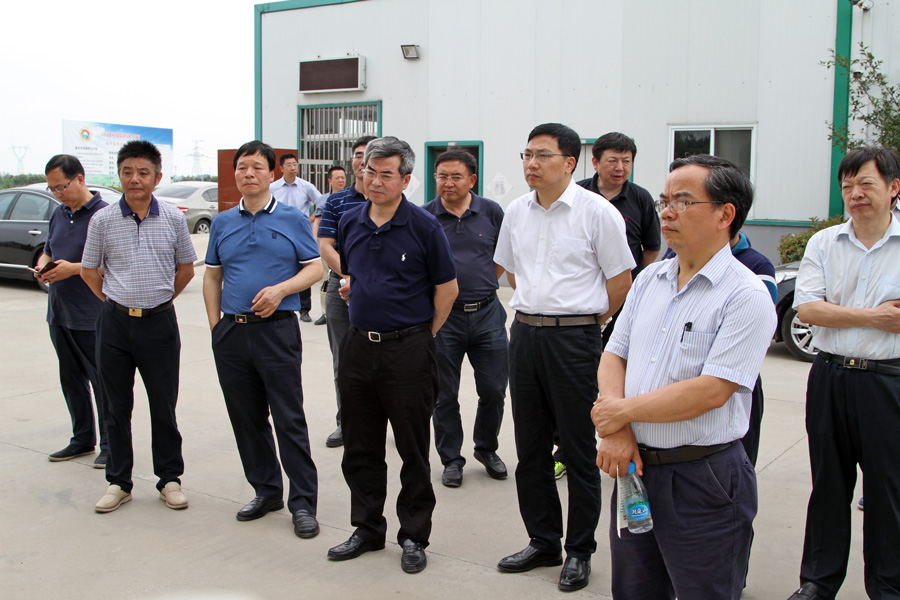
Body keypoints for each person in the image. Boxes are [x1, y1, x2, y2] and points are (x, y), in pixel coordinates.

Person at [592, 154, 776, 600]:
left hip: (702, 477)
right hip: (634, 469)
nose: (667, 212)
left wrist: (619, 413)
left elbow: (712, 390)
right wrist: (618, 431)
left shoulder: (746, 295)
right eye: (664, 200)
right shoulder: (649, 279)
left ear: (725, 214)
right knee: (634, 591)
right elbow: (614, 354)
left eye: (683, 201)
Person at [494, 123, 634, 592]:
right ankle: (543, 541)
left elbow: (620, 283)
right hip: (524, 336)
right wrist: (537, 313)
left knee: (577, 449)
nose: (531, 164)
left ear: (570, 162)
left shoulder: (597, 213)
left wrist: (583, 323)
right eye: (527, 155)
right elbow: (512, 272)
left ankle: (579, 551)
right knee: (530, 448)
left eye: (542, 155)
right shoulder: (517, 211)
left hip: (575, 340)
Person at [326, 136, 458, 574]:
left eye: (386, 174)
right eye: (370, 171)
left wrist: (420, 336)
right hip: (358, 347)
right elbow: (355, 275)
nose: (375, 181)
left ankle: (414, 535)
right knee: (360, 446)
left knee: (412, 449)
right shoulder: (350, 220)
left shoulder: (424, 226)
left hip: (408, 350)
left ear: (405, 179)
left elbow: (447, 290)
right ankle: (366, 529)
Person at [787, 146, 900, 600]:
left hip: (888, 381)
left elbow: (826, 309)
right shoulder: (824, 243)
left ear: (894, 187)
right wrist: (876, 316)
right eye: (847, 186)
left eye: (866, 184)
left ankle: (888, 587)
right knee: (828, 485)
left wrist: (840, 312)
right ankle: (817, 582)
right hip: (830, 376)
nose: (855, 194)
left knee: (888, 491)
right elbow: (809, 309)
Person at [202, 141, 322, 537]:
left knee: (288, 418)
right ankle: (266, 490)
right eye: (242, 167)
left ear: (272, 174)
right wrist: (216, 327)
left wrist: (281, 290)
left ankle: (302, 503)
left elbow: (315, 269)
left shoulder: (292, 218)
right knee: (247, 418)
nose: (248, 173)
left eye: (256, 167)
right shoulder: (222, 222)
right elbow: (212, 276)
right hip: (232, 333)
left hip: (277, 332)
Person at [82, 140, 196, 513]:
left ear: (157, 177)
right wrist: (114, 300)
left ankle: (169, 479)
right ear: (119, 175)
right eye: (128, 172)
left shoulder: (174, 218)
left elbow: (186, 270)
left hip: (159, 324)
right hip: (114, 325)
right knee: (116, 407)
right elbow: (88, 270)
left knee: (164, 405)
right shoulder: (102, 220)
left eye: (143, 172)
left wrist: (160, 300)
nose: (135, 179)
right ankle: (119, 482)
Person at [422, 149, 508, 488]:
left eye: (456, 176)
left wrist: (481, 283)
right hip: (444, 318)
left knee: (494, 389)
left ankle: (486, 448)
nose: (448, 183)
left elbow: (500, 258)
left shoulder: (492, 211)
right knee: (443, 394)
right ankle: (451, 459)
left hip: (488, 314)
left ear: (472, 179)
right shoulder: (424, 216)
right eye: (442, 176)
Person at [661, 229, 777, 466]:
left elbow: (759, 329)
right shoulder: (672, 259)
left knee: (735, 459)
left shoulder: (756, 265)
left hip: (734, 381)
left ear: (726, 217)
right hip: (671, 384)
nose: (670, 215)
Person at [38, 155, 109, 468]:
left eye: (62, 187)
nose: (58, 194)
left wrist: (74, 269)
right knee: (71, 379)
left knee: (103, 382)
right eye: (53, 189)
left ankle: (110, 445)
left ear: (80, 179)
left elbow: (113, 263)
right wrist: (42, 265)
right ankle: (82, 439)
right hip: (59, 312)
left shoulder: (104, 215)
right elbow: (48, 250)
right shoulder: (59, 213)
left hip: (91, 313)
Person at [317, 135, 377, 448]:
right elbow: (325, 245)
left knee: (383, 359)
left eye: (369, 153)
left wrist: (367, 281)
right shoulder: (337, 201)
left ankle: (383, 419)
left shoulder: (389, 198)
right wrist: (350, 276)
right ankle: (347, 421)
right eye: (357, 154)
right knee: (344, 359)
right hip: (340, 288)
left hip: (381, 291)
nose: (362, 159)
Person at [576, 132, 661, 342]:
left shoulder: (641, 198)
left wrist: (635, 279)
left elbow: (651, 248)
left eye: (626, 161)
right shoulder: (577, 194)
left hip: (625, 295)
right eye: (613, 161)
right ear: (595, 163)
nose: (620, 168)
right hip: (583, 293)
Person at [269, 152, 320, 322]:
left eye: (295, 164)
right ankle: (280, 304)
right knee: (281, 268)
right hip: (278, 233)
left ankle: (304, 310)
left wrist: (311, 219)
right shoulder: (272, 188)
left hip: (299, 234)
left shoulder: (306, 186)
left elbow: (321, 203)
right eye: (289, 165)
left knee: (305, 268)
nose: (293, 168)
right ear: (281, 168)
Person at [313, 165, 347, 326]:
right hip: (328, 248)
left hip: (344, 252)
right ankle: (325, 312)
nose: (340, 180)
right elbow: (317, 221)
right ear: (330, 181)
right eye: (337, 177)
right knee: (326, 280)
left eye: (343, 177)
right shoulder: (325, 200)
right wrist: (315, 241)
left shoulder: (349, 198)